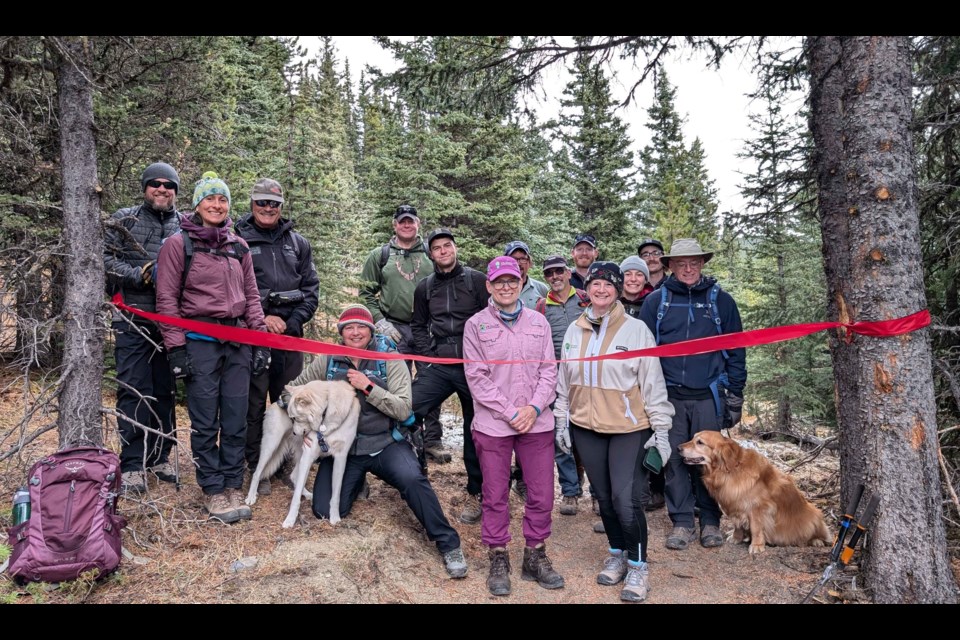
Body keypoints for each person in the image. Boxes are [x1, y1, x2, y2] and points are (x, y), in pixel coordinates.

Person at [287, 304, 469, 579]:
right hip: (343, 452)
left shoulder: (390, 358)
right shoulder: (328, 359)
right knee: (324, 511)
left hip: (386, 443)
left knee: (413, 481)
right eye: (349, 327)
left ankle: (449, 545)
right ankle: (358, 482)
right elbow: (298, 387)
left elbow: (404, 410)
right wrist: (302, 421)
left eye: (362, 327)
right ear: (341, 332)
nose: (356, 332)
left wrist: (369, 387)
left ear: (371, 331)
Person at [554, 261, 674, 603]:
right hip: (586, 428)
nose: (601, 289)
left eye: (609, 285)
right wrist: (561, 420)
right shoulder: (575, 331)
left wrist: (661, 430)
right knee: (603, 498)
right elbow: (565, 382)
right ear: (587, 289)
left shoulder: (637, 331)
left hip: (628, 428)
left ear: (618, 290)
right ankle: (618, 552)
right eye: (595, 284)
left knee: (626, 499)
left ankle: (638, 566)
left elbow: (653, 385)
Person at [155, 172, 269, 524]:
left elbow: (252, 297)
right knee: (206, 420)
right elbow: (167, 300)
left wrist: (261, 339)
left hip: (238, 342)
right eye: (210, 199)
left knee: (235, 417)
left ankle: (233, 482)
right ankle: (212, 487)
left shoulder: (238, 246)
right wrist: (175, 349)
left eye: (222, 200)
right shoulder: (179, 244)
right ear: (198, 204)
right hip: (199, 344)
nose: (217, 205)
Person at [463, 256, 564, 596]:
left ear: (521, 283)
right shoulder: (476, 325)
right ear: (489, 286)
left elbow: (550, 369)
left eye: (511, 280)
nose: (505, 287)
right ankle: (498, 555)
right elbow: (476, 377)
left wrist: (534, 407)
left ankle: (535, 555)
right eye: (498, 282)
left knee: (541, 493)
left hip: (537, 422)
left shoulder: (539, 322)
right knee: (494, 494)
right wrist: (510, 411)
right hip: (494, 424)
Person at [639, 238, 747, 550]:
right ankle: (683, 521)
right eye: (682, 263)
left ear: (702, 264)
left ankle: (711, 521)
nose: (688, 269)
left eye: (694, 263)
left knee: (708, 461)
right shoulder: (656, 303)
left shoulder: (721, 301)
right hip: (668, 396)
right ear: (670, 266)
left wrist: (735, 394)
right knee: (674, 459)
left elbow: (736, 350)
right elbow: (644, 354)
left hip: (708, 396)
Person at [236, 178, 319, 495]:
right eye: (261, 202)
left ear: (281, 206)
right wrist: (263, 318)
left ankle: (289, 465)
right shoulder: (238, 239)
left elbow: (311, 290)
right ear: (252, 204)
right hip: (255, 337)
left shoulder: (297, 243)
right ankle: (259, 467)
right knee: (253, 405)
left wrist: (293, 320)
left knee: (292, 404)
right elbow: (236, 290)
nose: (267, 208)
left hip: (291, 338)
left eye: (273, 203)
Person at [104, 162, 182, 494]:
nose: (162, 189)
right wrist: (137, 275)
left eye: (169, 185)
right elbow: (102, 260)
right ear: (145, 187)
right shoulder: (124, 219)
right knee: (134, 390)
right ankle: (133, 463)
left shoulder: (186, 225)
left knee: (165, 391)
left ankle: (161, 456)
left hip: (173, 321)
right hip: (132, 319)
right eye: (155, 184)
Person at [410, 228, 489, 524]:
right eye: (438, 248)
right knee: (408, 409)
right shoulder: (425, 287)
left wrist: (484, 358)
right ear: (431, 254)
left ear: (455, 249)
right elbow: (417, 324)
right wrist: (429, 357)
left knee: (476, 425)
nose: (444, 251)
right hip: (440, 364)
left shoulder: (477, 281)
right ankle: (414, 473)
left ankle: (476, 491)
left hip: (474, 366)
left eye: (448, 246)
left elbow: (490, 319)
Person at [359, 204, 446, 464]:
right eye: (402, 221)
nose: (407, 225)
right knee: (396, 384)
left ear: (418, 223)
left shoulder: (431, 255)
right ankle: (399, 435)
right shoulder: (381, 255)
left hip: (427, 328)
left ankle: (432, 439)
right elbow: (365, 293)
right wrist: (380, 321)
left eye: (411, 221)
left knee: (432, 381)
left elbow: (445, 287)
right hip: (393, 329)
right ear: (394, 225)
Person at [534, 255, 590, 515]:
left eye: (558, 272)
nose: (554, 277)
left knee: (591, 434)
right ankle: (570, 492)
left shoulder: (586, 298)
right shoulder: (541, 306)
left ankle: (599, 493)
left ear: (568, 272)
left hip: (587, 377)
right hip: (556, 378)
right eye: (549, 274)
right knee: (560, 434)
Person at [619, 255, 664, 511]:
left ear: (645, 279)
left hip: (648, 374)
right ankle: (629, 491)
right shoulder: (612, 302)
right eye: (628, 274)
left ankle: (655, 488)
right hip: (621, 380)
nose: (633, 279)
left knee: (652, 431)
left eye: (639, 275)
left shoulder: (655, 301)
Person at [503, 240, 548, 309]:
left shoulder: (541, 289)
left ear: (529, 262)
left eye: (523, 259)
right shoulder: (498, 289)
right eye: (513, 259)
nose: (518, 264)